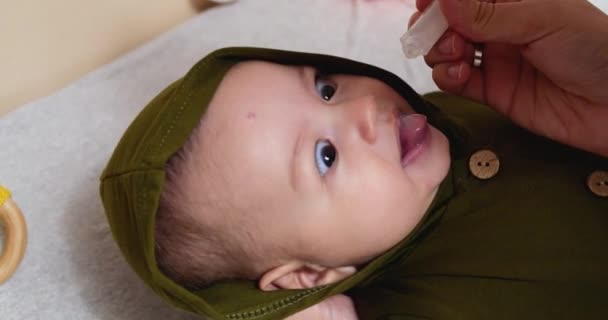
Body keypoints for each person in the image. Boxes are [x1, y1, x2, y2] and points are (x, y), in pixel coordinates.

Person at [99, 1, 608, 319]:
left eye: (325, 88)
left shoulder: (474, 102)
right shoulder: (426, 301)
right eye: (326, 157)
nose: (364, 109)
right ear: (308, 276)